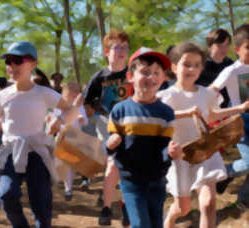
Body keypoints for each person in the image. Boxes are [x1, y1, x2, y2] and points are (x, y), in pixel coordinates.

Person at [0, 41, 78, 228]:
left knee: (41, 203)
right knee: (7, 195)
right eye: (8, 61)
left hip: (36, 153)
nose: (12, 66)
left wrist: (61, 120)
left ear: (33, 64)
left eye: (17, 60)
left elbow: (72, 110)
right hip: (9, 152)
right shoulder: (3, 96)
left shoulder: (43, 93)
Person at [158, 42, 249, 228]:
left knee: (208, 203)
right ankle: (170, 219)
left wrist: (239, 108)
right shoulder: (166, 96)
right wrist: (186, 113)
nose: (192, 69)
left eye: (197, 64)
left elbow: (212, 114)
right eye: (186, 64)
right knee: (182, 208)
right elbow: (161, 119)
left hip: (206, 151)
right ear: (174, 67)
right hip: (180, 154)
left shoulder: (206, 93)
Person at [105, 47, 182, 228]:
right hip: (131, 179)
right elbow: (109, 144)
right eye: (145, 72)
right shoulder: (120, 110)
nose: (151, 77)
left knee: (156, 223)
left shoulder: (166, 113)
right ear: (130, 76)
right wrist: (110, 143)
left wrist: (170, 152)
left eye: (157, 73)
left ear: (163, 78)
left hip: (157, 179)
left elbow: (164, 145)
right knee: (140, 224)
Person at [83, 29, 132, 226]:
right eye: (116, 47)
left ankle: (127, 204)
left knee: (128, 165)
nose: (121, 51)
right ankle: (106, 206)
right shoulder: (99, 77)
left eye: (125, 47)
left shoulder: (133, 73)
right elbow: (85, 104)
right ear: (106, 51)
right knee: (113, 163)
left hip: (132, 124)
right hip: (106, 123)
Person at [211, 24, 249, 208]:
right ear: (237, 49)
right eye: (248, 47)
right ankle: (222, 173)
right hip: (242, 122)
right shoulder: (231, 71)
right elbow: (211, 91)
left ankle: (243, 198)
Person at [52, 82, 88, 201]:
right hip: (63, 136)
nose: (77, 93)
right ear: (67, 92)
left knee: (72, 165)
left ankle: (69, 187)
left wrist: (82, 120)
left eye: (78, 90)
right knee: (65, 163)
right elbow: (55, 121)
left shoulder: (80, 105)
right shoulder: (59, 105)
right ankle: (67, 188)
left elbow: (85, 122)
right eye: (74, 90)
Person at [196, 28, 233, 108]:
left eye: (226, 45)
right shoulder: (200, 66)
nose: (224, 49)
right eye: (219, 46)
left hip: (231, 110)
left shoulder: (230, 63)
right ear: (209, 46)